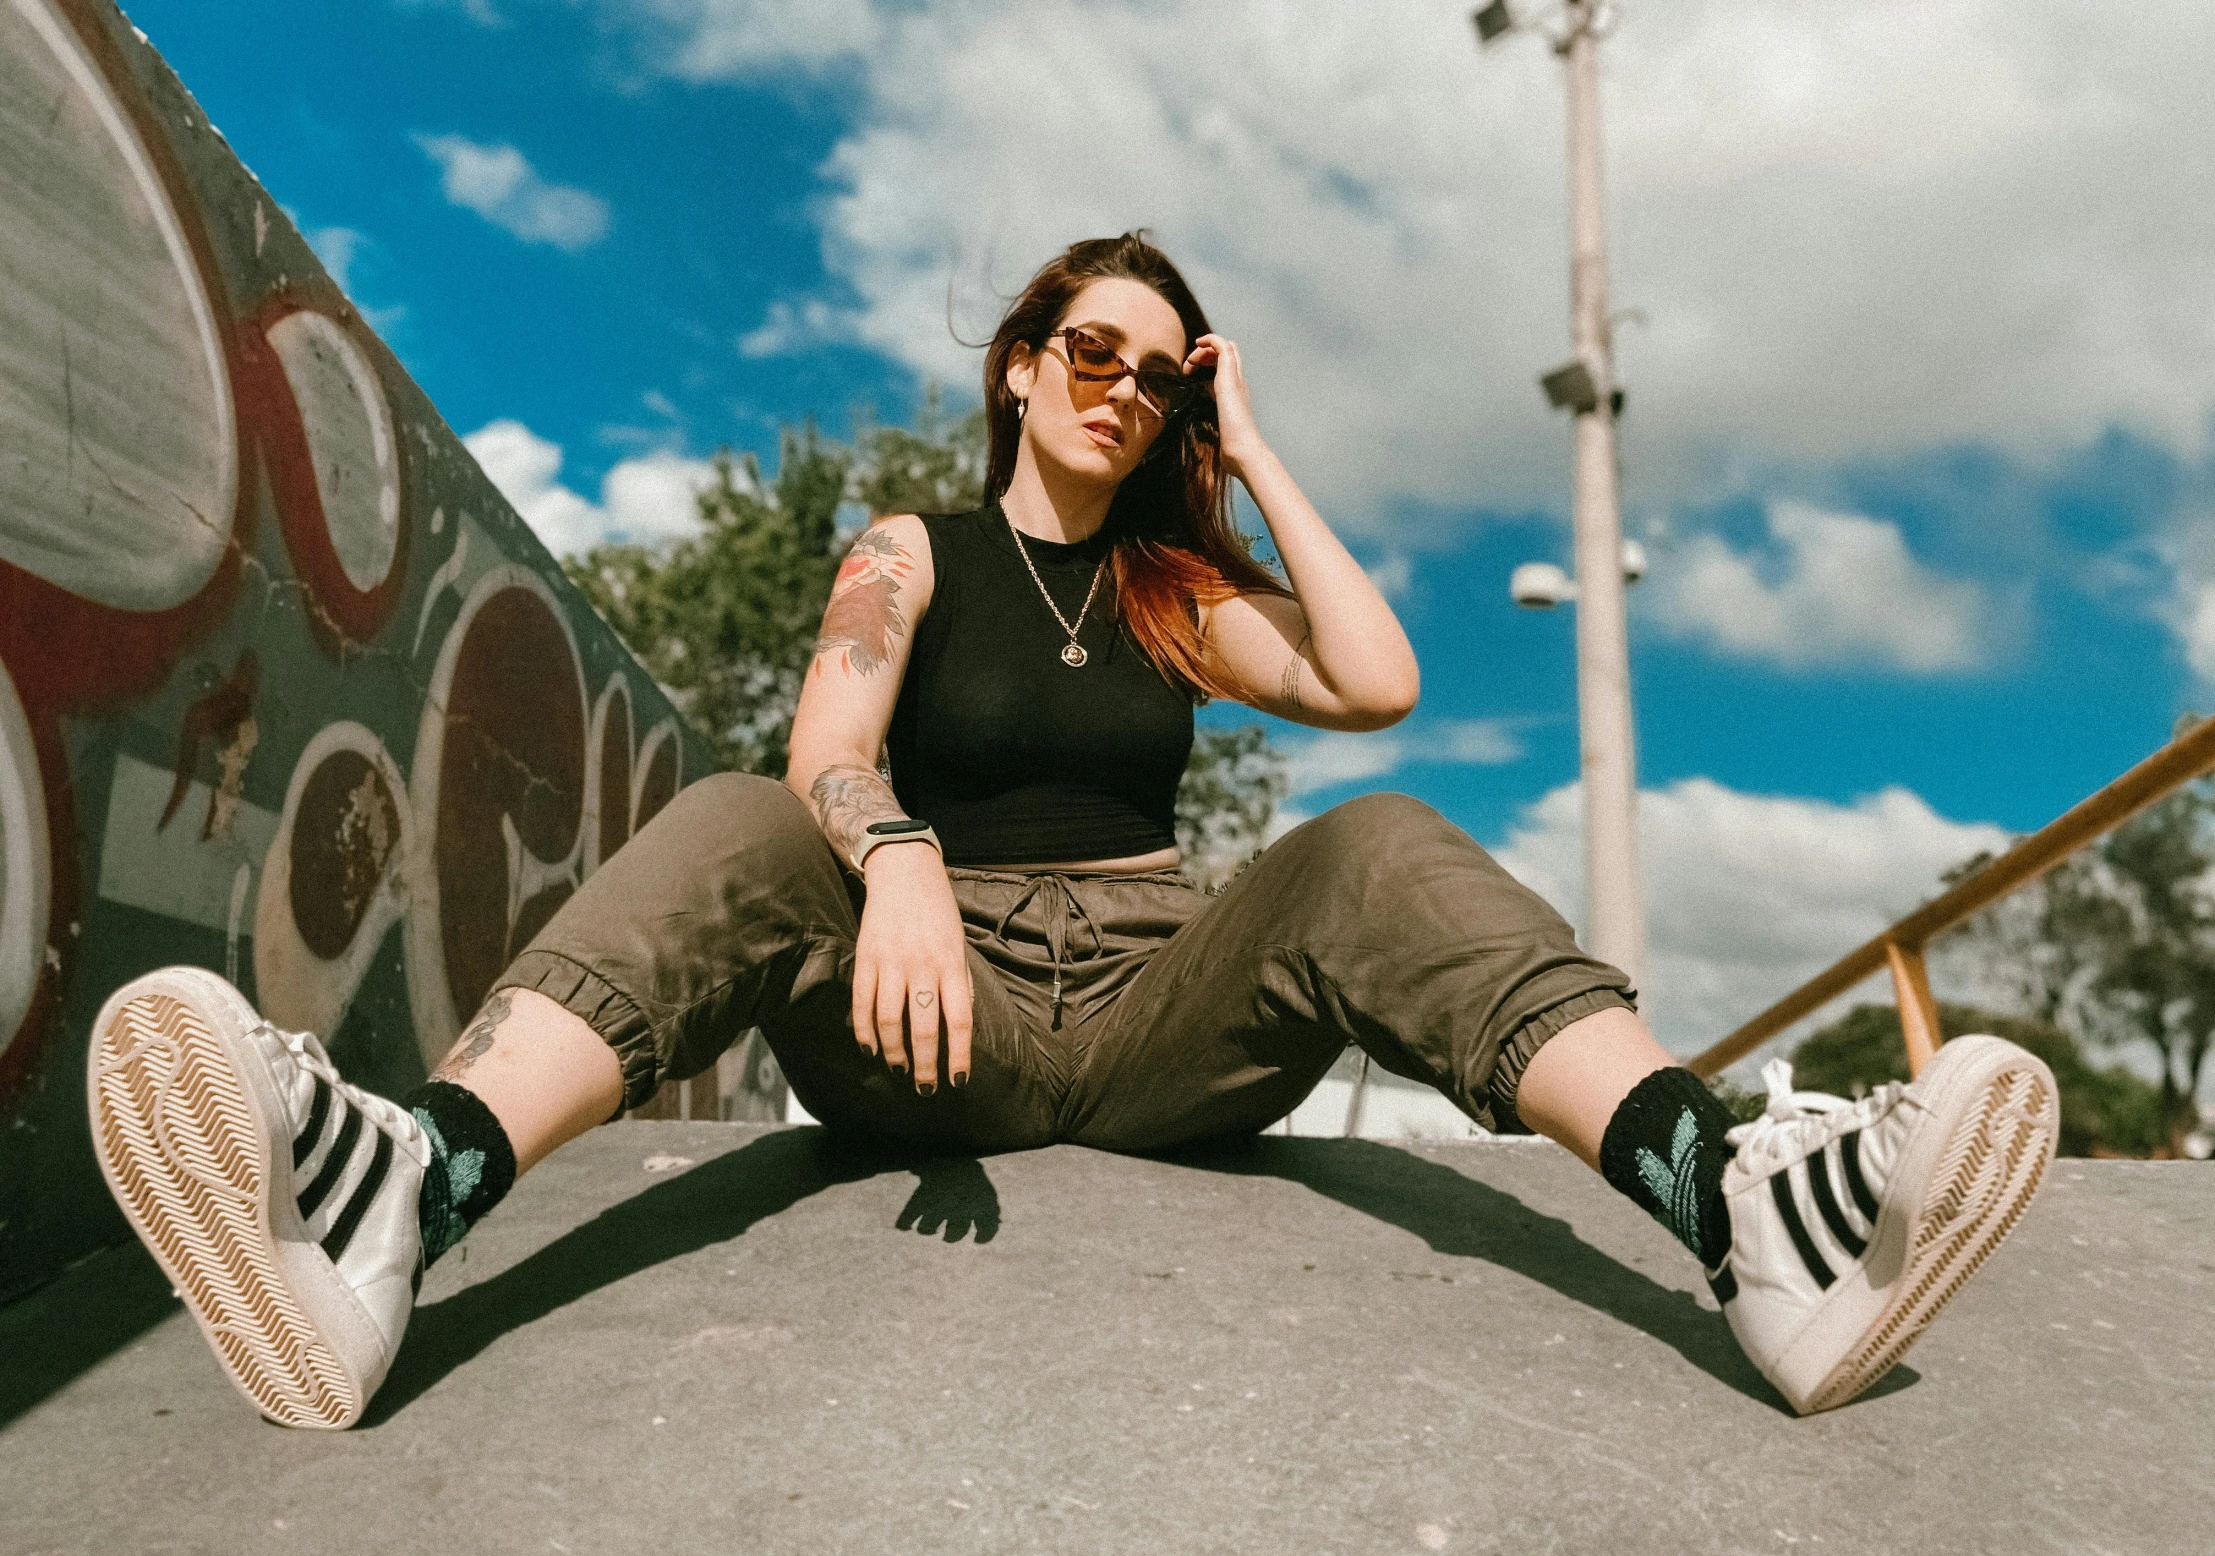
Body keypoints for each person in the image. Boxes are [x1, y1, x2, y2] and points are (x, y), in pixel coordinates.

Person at [85, 232, 2058, 1432]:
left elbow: (1376, 680)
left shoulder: (1179, 595)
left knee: (1372, 840)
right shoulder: (907, 552)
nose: (1121, 384)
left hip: (1147, 1011)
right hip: (915, 1009)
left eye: (1160, 365)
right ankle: (393, 1198)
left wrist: (1252, 444)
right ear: (1024, 365)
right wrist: (902, 858)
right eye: (1092, 350)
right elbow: (830, 746)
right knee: (741, 816)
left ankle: (1742, 1204)